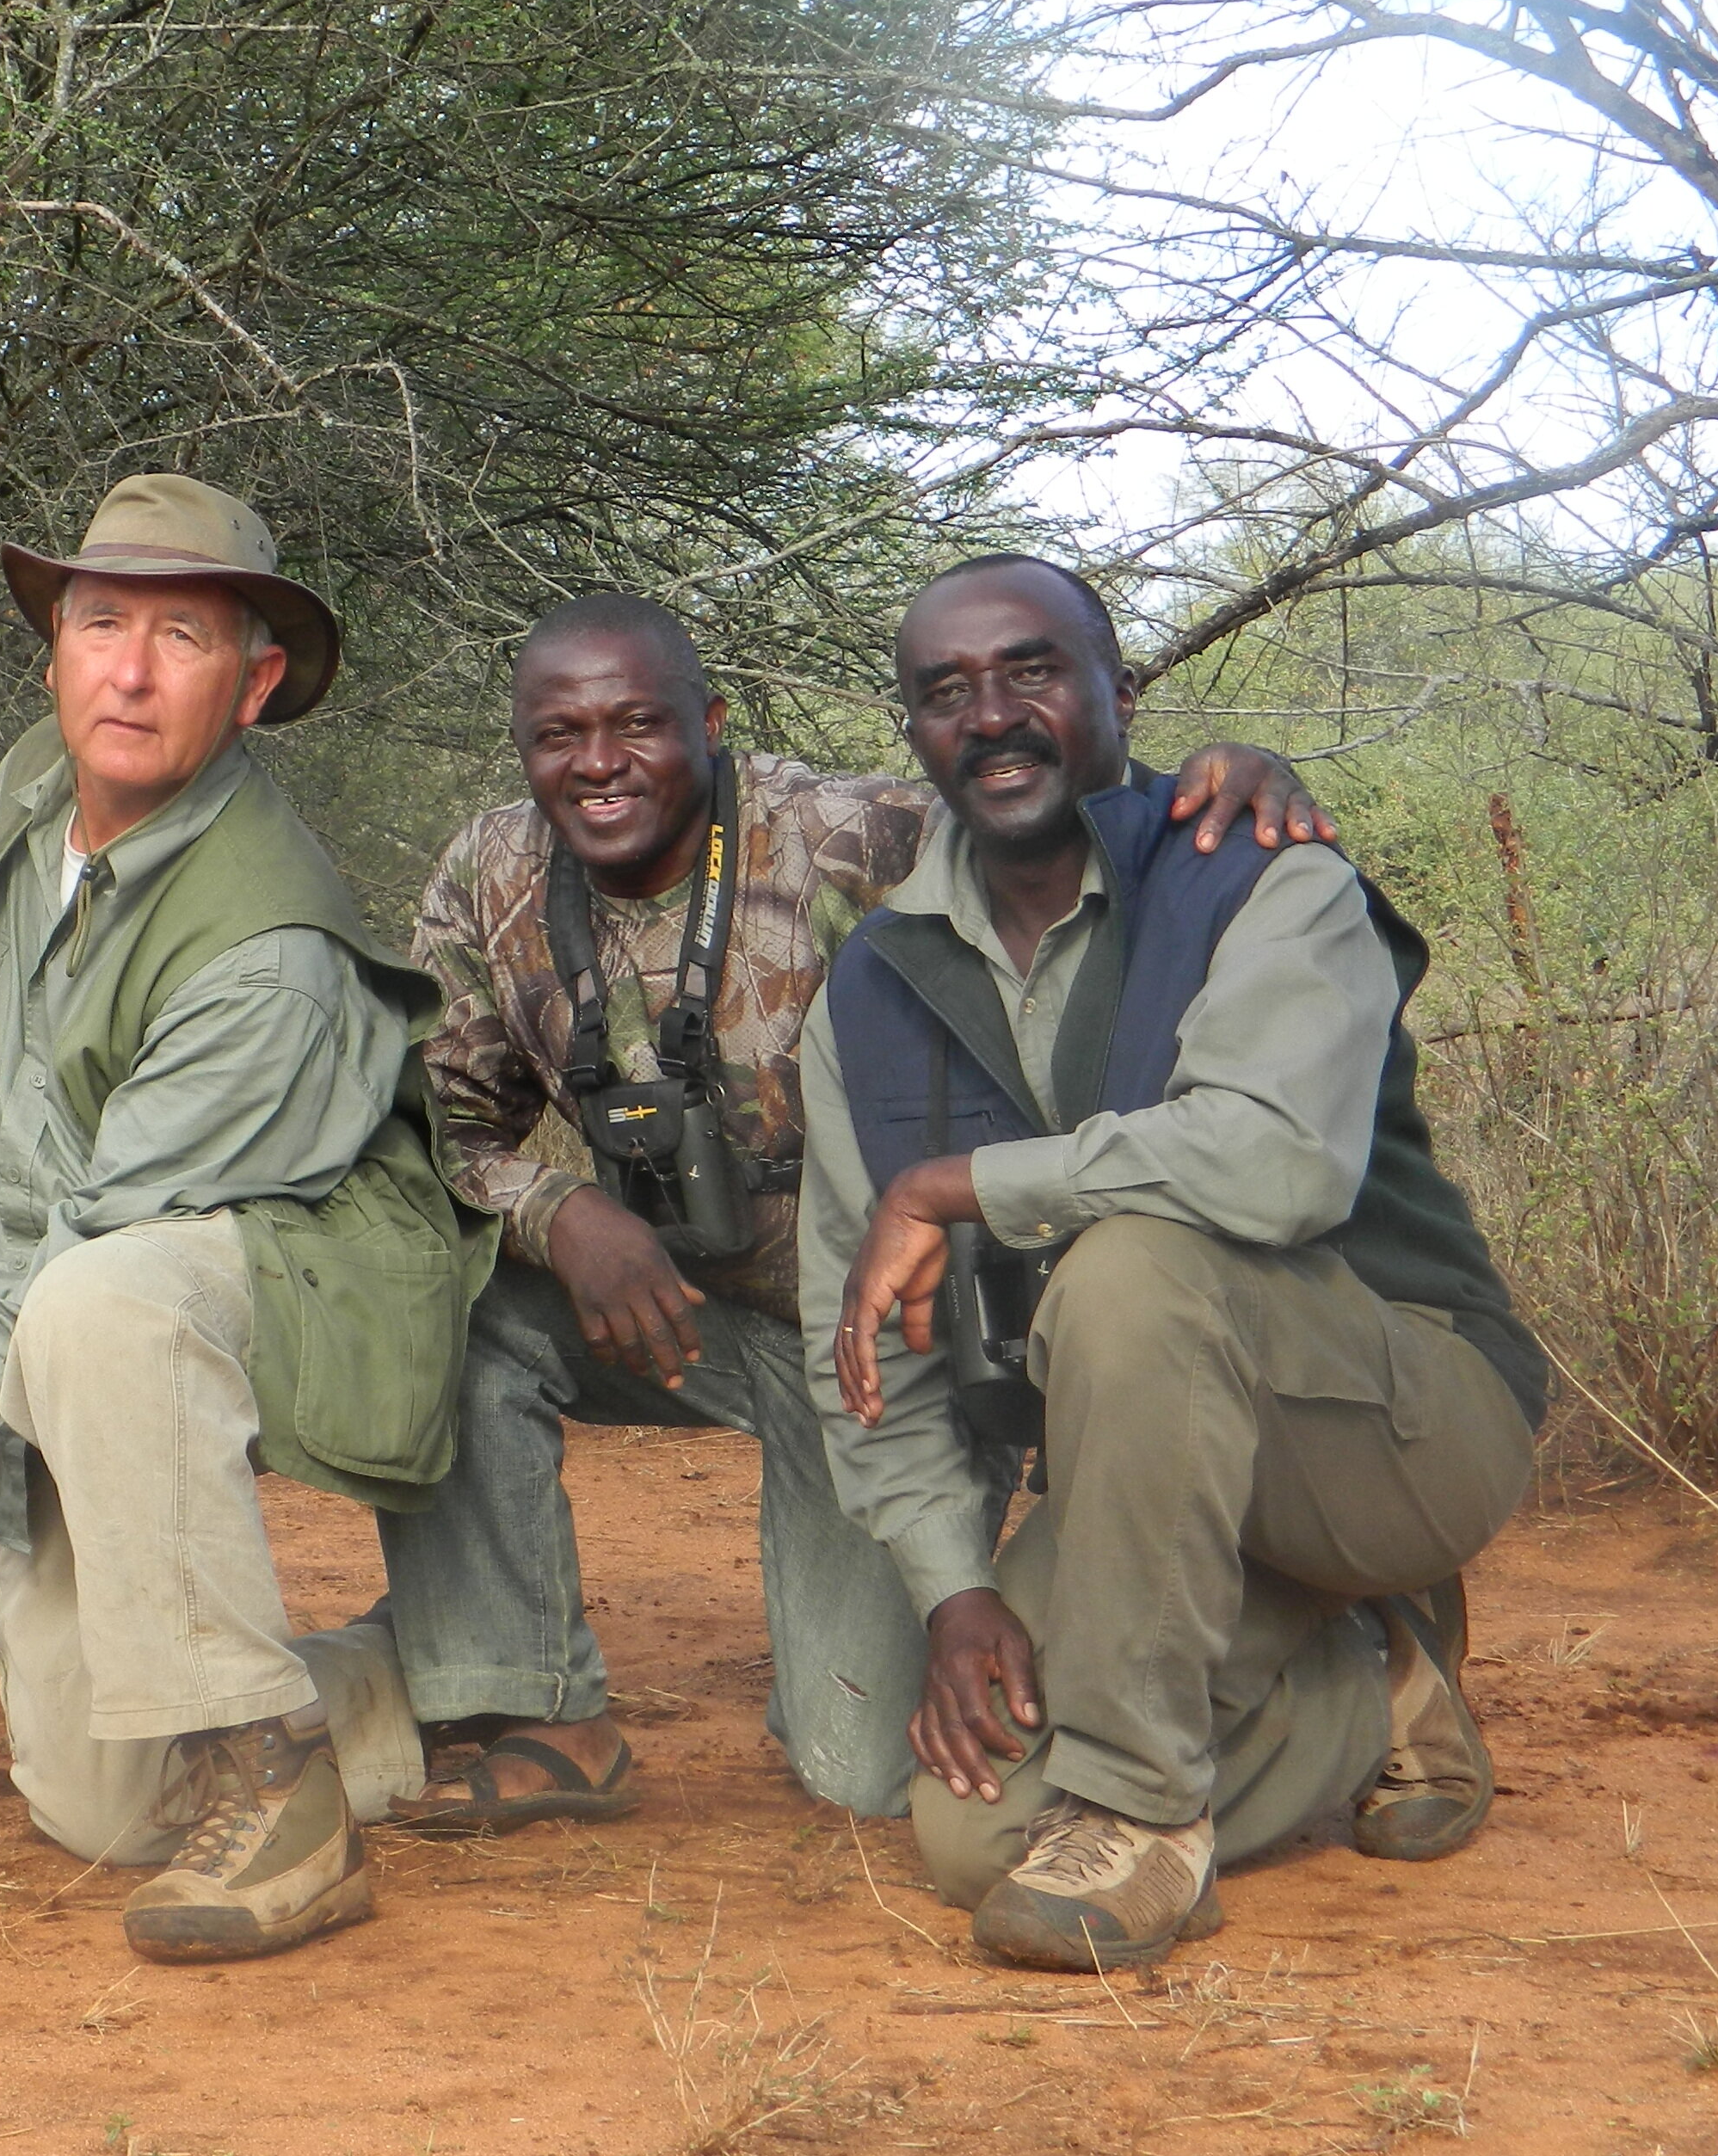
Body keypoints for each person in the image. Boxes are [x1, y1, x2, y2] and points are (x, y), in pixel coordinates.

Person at [388, 593, 1331, 1827]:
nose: (599, 764)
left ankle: (1317, 1651)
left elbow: (1064, 823)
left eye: (637, 725)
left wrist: (1230, 783)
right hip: (671, 1307)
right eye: (558, 735)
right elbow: (426, 1126)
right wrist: (558, 1206)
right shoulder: (492, 870)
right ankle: (527, 1703)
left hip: (881, 1340)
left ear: (711, 724)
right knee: (441, 1292)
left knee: (863, 1770)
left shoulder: (856, 833)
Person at [0, 475, 490, 1965]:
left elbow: (97, 1240)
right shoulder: (31, 797)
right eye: (99, 624)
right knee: (100, 1796)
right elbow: (20, 1137)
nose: (128, 673)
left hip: (313, 1283)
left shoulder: (266, 952)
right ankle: (453, 1677)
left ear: (257, 685)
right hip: (109, 1293)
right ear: (54, 647)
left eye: (183, 639)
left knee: (98, 1307)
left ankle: (282, 1795)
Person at [804, 554, 1546, 1969]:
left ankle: (1147, 1817)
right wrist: (955, 1590)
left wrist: (960, 1181)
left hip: (1401, 1423)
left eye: (1032, 671)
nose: (994, 715)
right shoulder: (873, 983)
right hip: (1149, 1468)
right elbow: (860, 1337)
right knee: (972, 1837)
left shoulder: (1267, 879)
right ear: (912, 736)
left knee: (1131, 1263)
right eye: (946, 692)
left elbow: (1275, 1163)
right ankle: (1374, 1674)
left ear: (1118, 692)